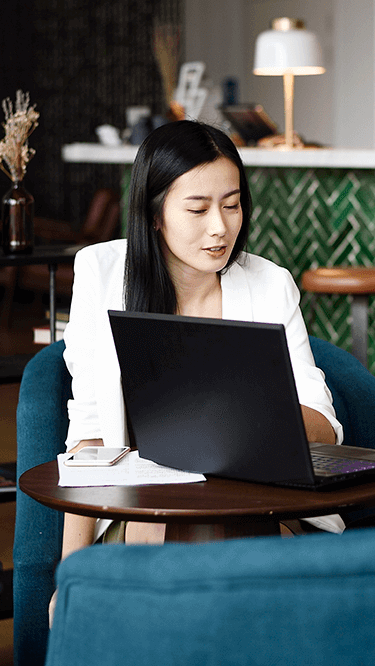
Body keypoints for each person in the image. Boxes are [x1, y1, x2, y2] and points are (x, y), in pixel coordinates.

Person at [56, 121, 343, 581]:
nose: (220, 228)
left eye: (232, 206)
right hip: (144, 509)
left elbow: (324, 427)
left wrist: (264, 412)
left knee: (232, 541)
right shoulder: (100, 273)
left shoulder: (270, 284)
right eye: (197, 209)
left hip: (258, 506)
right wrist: (67, 580)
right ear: (154, 213)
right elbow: (88, 436)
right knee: (169, 534)